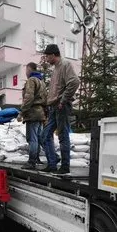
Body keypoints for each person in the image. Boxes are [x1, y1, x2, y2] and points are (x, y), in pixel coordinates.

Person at [41, 44, 79, 174]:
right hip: (54, 107)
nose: (46, 59)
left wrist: (63, 100)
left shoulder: (65, 65)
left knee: (63, 136)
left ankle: (64, 167)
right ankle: (52, 163)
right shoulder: (56, 68)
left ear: (53, 55)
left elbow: (74, 82)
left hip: (61, 106)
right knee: (45, 135)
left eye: (47, 56)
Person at [18, 62, 47, 170]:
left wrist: (22, 112)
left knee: (32, 138)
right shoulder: (41, 81)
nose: (25, 73)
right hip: (40, 113)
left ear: (29, 69)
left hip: (32, 113)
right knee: (40, 138)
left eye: (26, 70)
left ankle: (31, 162)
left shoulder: (31, 80)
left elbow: (28, 98)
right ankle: (50, 157)